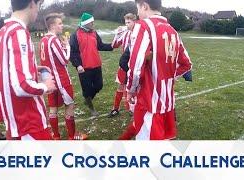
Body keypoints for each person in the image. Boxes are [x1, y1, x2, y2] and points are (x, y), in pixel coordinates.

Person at [127, 0, 192, 140]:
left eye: (137, 8)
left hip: (149, 102)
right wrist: (168, 76)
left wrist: (131, 89)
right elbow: (187, 64)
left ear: (144, 6)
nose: (137, 13)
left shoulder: (143, 26)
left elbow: (135, 64)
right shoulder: (173, 30)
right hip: (168, 104)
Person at [0, 0, 57, 140]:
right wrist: (45, 87)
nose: (38, 10)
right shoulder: (19, 32)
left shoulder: (3, 30)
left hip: (16, 123)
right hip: (29, 123)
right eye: (39, 5)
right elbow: (21, 86)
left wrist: (33, 69)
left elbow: (7, 72)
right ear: (31, 4)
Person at [39, 13, 88, 140]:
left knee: (53, 109)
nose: (62, 26)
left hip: (49, 80)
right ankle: (72, 137)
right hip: (61, 80)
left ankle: (56, 136)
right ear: (52, 25)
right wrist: (67, 46)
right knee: (70, 106)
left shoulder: (43, 40)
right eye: (60, 23)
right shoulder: (53, 40)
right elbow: (64, 60)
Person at [70, 12, 113, 116]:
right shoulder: (75, 35)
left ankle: (87, 99)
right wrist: (78, 65)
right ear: (85, 23)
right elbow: (73, 52)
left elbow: (100, 45)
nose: (93, 24)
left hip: (96, 65)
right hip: (84, 68)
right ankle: (91, 107)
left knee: (99, 85)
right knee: (87, 89)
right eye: (91, 22)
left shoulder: (94, 33)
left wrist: (113, 45)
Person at [108, 13, 137, 118]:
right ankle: (115, 108)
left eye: (129, 22)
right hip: (124, 65)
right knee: (121, 86)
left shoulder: (139, 33)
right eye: (126, 22)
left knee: (133, 88)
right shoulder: (125, 33)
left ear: (135, 22)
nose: (127, 24)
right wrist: (117, 34)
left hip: (134, 66)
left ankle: (131, 108)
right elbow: (114, 45)